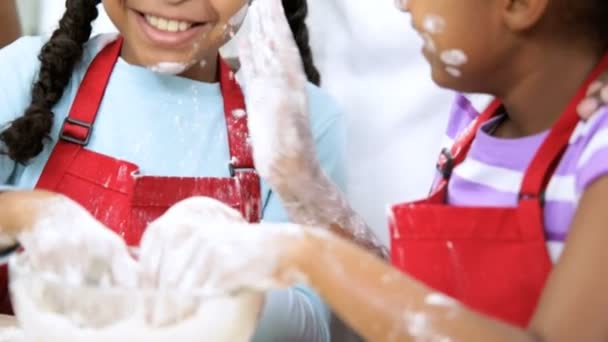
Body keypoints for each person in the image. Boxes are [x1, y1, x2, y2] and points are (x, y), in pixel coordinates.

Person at [148, 0, 608, 341]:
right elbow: (424, 315)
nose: (402, 4)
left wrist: (305, 253)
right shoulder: (475, 118)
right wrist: (301, 184)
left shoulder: (598, 148)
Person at [0, 0, 385, 340]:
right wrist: (29, 214)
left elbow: (311, 326)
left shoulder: (301, 119)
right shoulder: (24, 74)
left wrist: (230, 279)